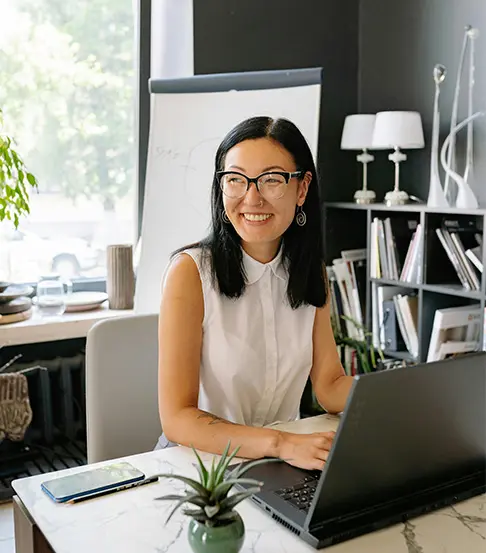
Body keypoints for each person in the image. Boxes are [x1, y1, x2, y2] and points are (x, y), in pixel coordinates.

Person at [156, 116, 354, 470]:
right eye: (235, 180)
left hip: (281, 462)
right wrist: (279, 444)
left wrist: (395, 401)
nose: (252, 197)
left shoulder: (310, 272)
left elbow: (329, 384)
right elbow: (177, 418)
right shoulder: (190, 273)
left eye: (272, 180)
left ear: (302, 188)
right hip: (200, 467)